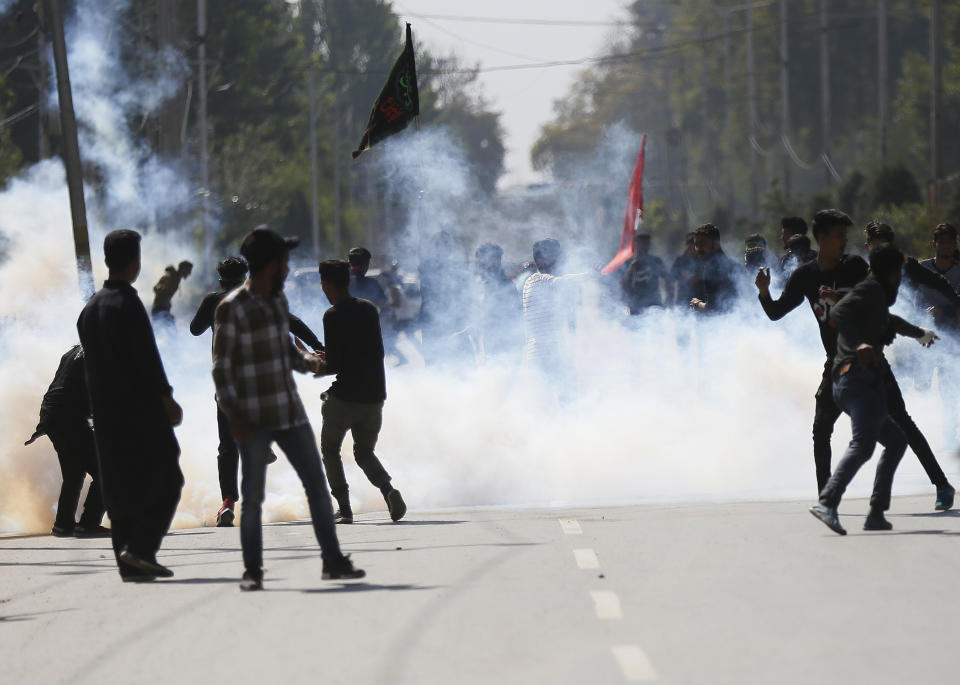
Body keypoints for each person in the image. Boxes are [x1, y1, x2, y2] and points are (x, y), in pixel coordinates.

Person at [757, 211, 955, 509]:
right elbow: (775, 312)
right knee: (821, 429)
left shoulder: (854, 267)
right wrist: (762, 292)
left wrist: (842, 300)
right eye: (839, 236)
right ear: (822, 238)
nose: (844, 243)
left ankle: (942, 485)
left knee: (902, 422)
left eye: (845, 237)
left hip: (871, 358)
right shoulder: (805, 277)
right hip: (836, 364)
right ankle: (826, 501)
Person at [212, 227, 363, 590]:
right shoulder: (230, 309)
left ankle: (332, 560)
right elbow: (221, 370)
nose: (288, 267)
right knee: (254, 497)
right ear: (270, 263)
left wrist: (311, 361)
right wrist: (235, 419)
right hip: (254, 417)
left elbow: (285, 350)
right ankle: (252, 571)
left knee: (315, 484)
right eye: (284, 260)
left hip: (288, 412)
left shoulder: (277, 302)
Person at [77, 229, 184, 582]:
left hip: (106, 416)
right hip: (140, 413)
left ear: (108, 260)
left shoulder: (90, 309)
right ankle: (141, 549)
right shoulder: (128, 304)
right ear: (135, 261)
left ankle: (129, 564)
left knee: (119, 488)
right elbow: (147, 359)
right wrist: (166, 398)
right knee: (168, 477)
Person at [810, 243, 939, 534]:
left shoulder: (876, 295)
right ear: (891, 272)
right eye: (899, 272)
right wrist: (860, 344)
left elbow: (889, 321)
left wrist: (919, 333)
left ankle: (876, 513)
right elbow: (839, 313)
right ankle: (827, 502)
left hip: (863, 381)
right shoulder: (872, 290)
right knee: (864, 445)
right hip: (855, 379)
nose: (900, 278)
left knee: (895, 441)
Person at [190, 256, 323, 526]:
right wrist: (319, 344)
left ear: (221, 280)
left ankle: (227, 502)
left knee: (227, 447)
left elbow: (194, 329)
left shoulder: (213, 300)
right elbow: (292, 322)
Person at [314, 259, 406, 525]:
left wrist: (319, 363)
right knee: (364, 453)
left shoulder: (331, 315)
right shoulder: (368, 310)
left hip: (345, 397)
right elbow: (372, 351)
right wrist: (331, 357)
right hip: (375, 395)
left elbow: (335, 365)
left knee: (330, 449)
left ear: (327, 284)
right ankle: (388, 490)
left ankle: (344, 508)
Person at [24, 344, 108, 538]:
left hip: (51, 414)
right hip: (69, 417)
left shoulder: (74, 350)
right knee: (107, 471)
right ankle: (89, 524)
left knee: (74, 473)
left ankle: (63, 524)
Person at [915, 223, 960, 445]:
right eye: (942, 241)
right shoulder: (922, 269)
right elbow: (911, 303)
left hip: (953, 338)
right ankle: (921, 433)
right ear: (934, 244)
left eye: (951, 241)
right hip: (926, 337)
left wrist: (946, 311)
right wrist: (926, 312)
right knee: (921, 386)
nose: (947, 246)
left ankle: (950, 437)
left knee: (950, 387)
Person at [473, 243, 523, 360]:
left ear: (495, 261)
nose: (478, 264)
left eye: (481, 259)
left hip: (503, 347)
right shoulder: (485, 283)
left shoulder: (503, 284)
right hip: (492, 346)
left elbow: (511, 317)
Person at [688, 223, 739, 314]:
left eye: (703, 243)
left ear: (716, 243)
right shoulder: (732, 265)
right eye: (696, 244)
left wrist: (697, 304)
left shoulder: (714, 268)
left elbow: (713, 309)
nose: (699, 248)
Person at [621, 233, 669, 314]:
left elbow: (667, 279)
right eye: (642, 243)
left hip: (654, 301)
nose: (645, 246)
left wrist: (668, 299)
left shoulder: (656, 261)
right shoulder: (629, 262)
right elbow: (623, 284)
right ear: (636, 245)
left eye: (647, 243)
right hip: (636, 302)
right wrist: (630, 269)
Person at [151, 260, 193, 326]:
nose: (190, 273)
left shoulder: (176, 277)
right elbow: (156, 288)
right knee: (171, 331)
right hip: (160, 309)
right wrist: (160, 287)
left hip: (163, 309)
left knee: (164, 330)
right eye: (189, 270)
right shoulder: (171, 276)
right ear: (184, 269)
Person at [670, 232, 697, 307]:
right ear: (687, 246)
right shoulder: (680, 260)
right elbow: (672, 276)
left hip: (699, 298)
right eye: (692, 245)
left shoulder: (702, 260)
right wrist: (683, 277)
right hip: (683, 299)